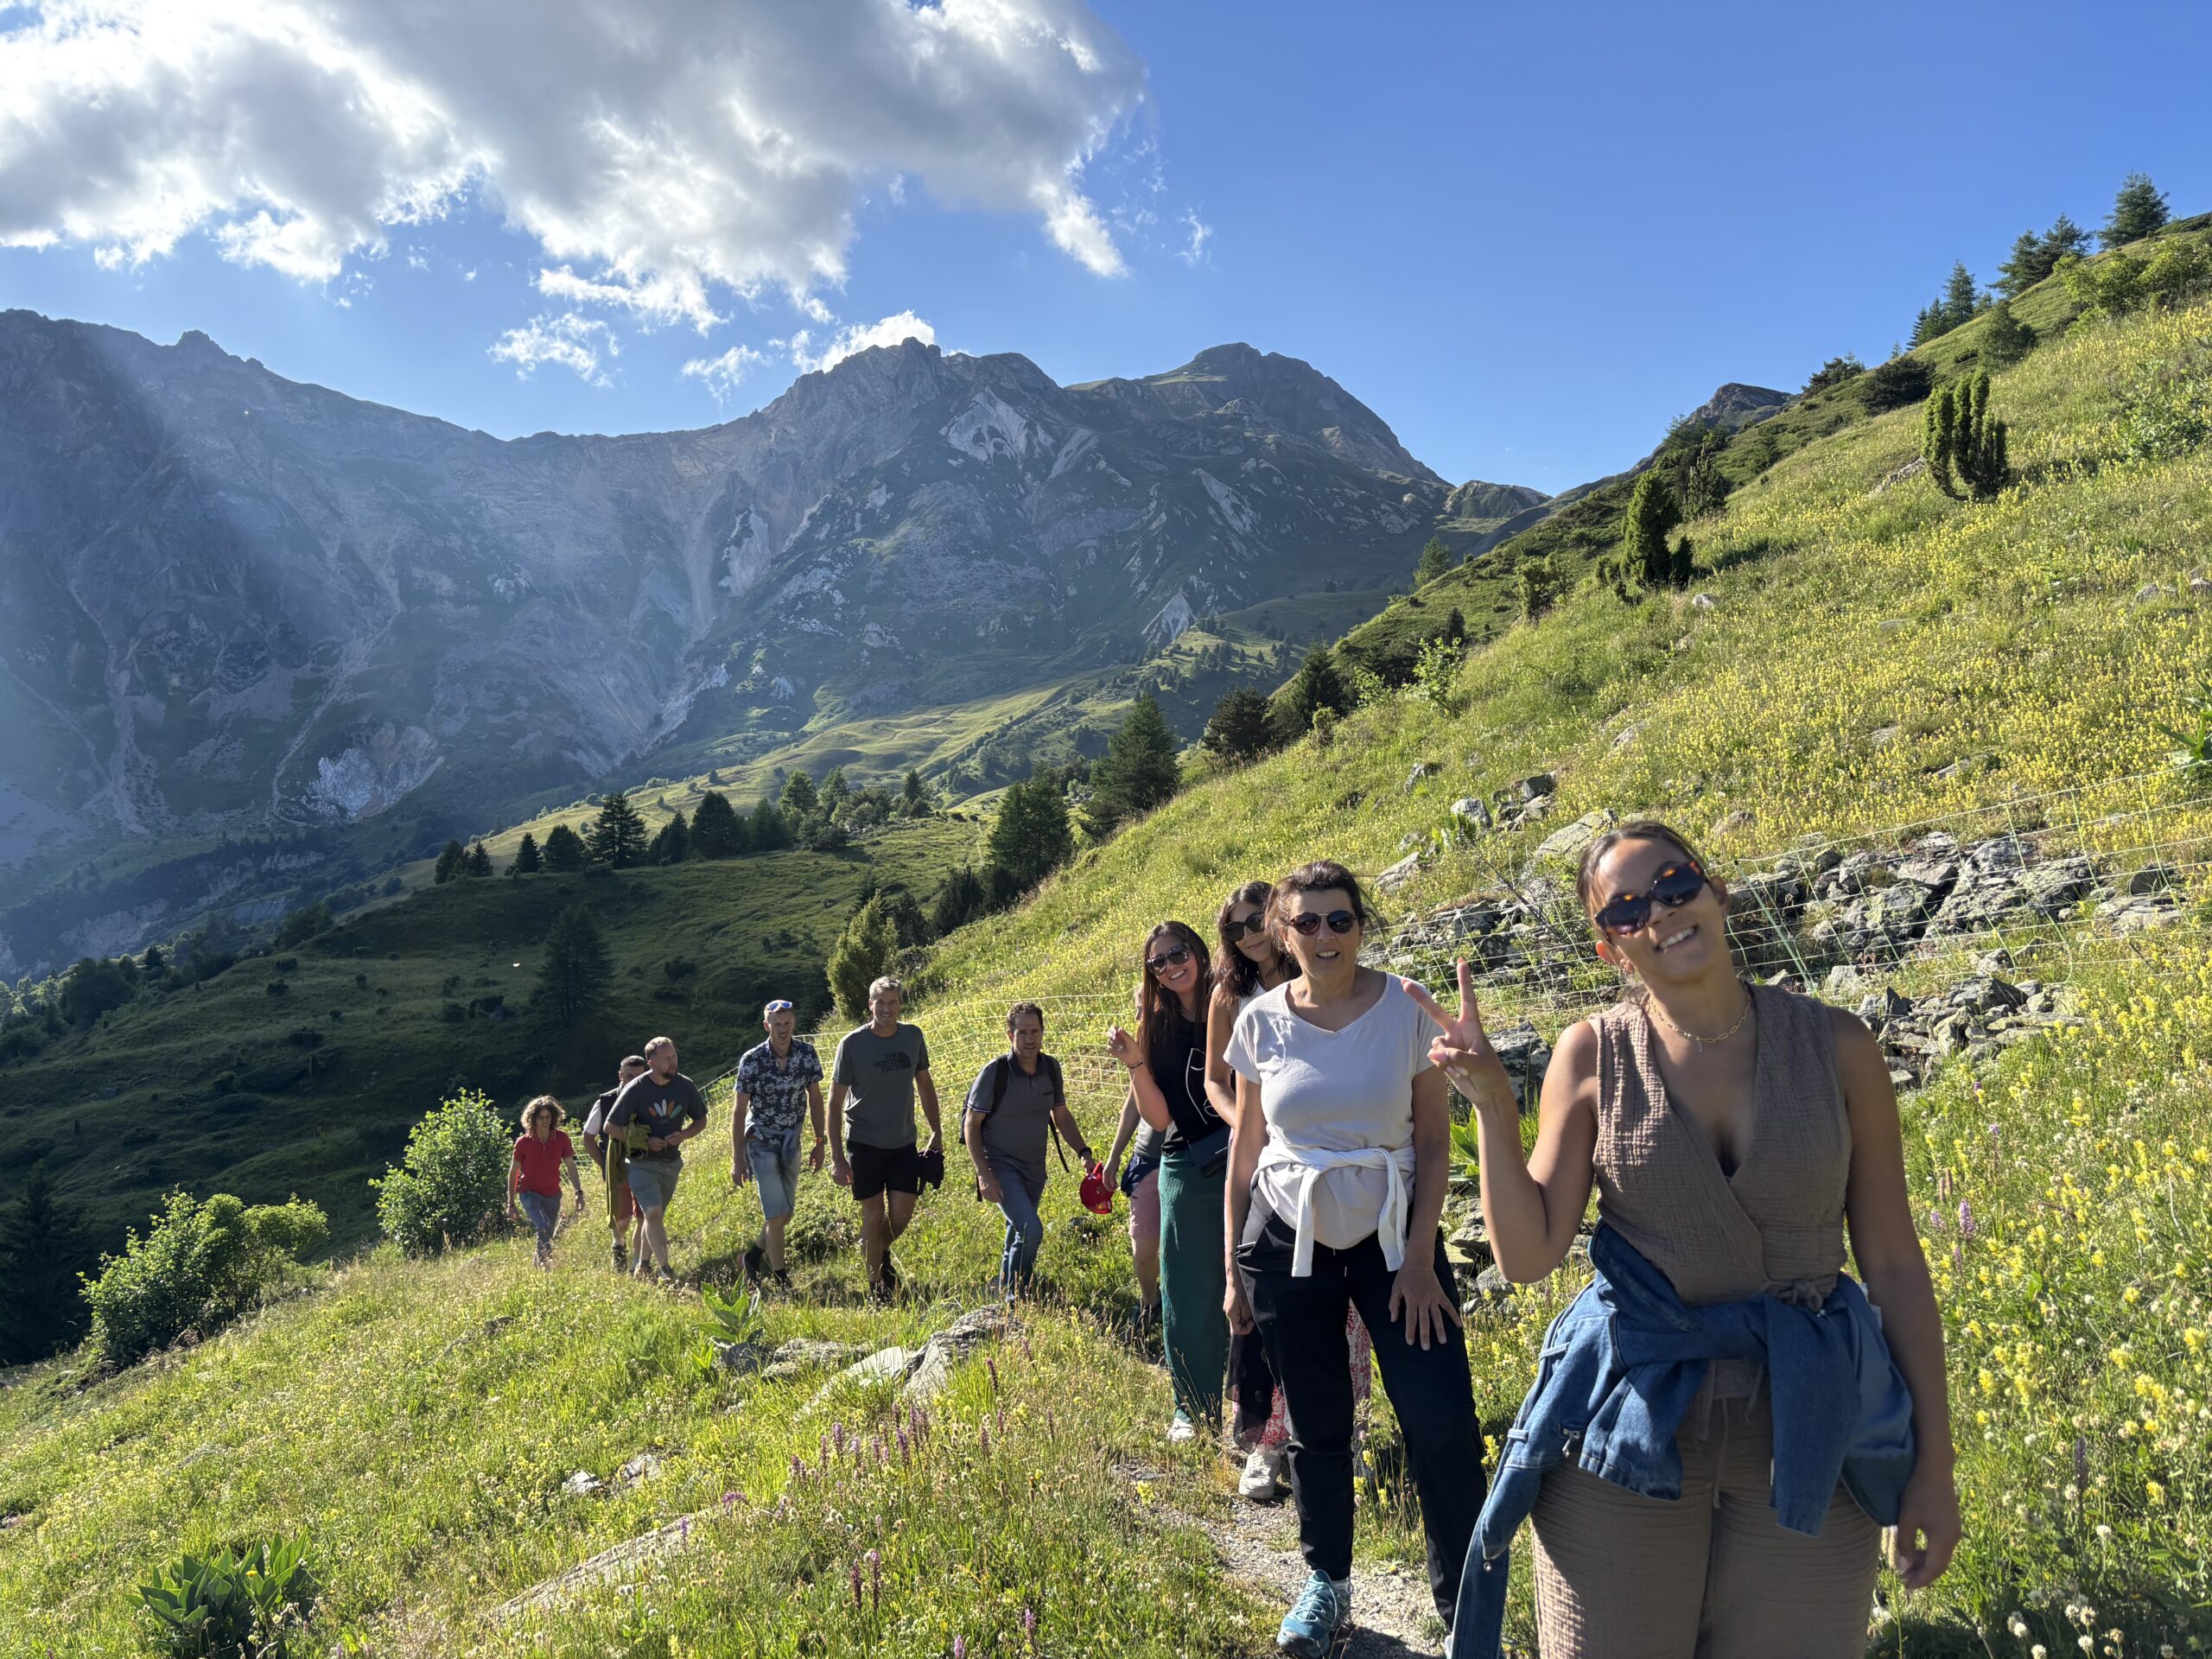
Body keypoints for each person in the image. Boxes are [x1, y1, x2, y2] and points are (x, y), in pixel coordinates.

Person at [1420, 821, 1960, 1659]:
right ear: (1609, 949)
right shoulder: (1591, 1054)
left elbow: (1891, 1262)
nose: (1659, 912)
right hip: (1630, 1422)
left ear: (1716, 893)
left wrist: (1934, 1463)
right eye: (1625, 908)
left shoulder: (1838, 1047)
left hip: (1809, 1421)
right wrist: (1492, 1103)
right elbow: (1527, 1257)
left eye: (1675, 884)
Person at [1222, 861, 1484, 1657]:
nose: (1326, 935)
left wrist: (1415, 1261)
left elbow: (1434, 1140)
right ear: (1281, 932)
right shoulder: (1261, 1020)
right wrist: (1233, 1271)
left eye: (1341, 920)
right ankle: (1327, 1582)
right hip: (1285, 1239)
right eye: (1308, 923)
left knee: (1439, 1418)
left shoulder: (1405, 1008)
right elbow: (1247, 1149)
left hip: (1395, 1237)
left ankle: (1467, 1600)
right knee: (1317, 1423)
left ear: (1361, 925)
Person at [1206, 880, 1373, 1505]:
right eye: (1236, 928)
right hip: (1269, 1159)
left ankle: (1341, 1432)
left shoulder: (1321, 970)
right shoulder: (1234, 996)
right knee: (1268, 1306)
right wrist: (1252, 1125)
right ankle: (1269, 1438)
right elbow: (1217, 1082)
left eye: (1257, 922)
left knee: (1347, 1315)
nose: (1249, 935)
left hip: (1338, 1166)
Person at [1106, 919, 1226, 1444]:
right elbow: (1158, 1118)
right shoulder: (1156, 1026)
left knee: (1259, 1282)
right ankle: (1193, 1408)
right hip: (1188, 1160)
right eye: (1158, 961)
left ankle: (1266, 1413)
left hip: (1255, 1152)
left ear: (1198, 950)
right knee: (1186, 1285)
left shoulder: (1234, 997)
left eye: (1178, 952)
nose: (1172, 965)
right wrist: (1136, 1062)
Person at [964, 1001, 1096, 1298]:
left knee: (1018, 1230)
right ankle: (1017, 1294)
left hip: (1035, 1170)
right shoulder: (995, 1072)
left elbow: (1060, 1115)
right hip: (1001, 1166)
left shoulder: (1050, 1068)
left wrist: (1083, 1153)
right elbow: (971, 1125)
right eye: (1022, 1032)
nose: (1029, 1038)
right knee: (1031, 1229)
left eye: (1034, 1031)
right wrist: (984, 1175)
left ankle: (1005, 1287)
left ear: (1042, 1032)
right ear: (1010, 1035)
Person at [829, 977, 942, 1300]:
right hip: (864, 1142)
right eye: (881, 1003)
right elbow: (834, 1103)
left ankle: (876, 1250)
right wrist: (837, 1157)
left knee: (902, 1214)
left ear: (900, 1004)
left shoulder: (913, 1036)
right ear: (870, 1005)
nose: (887, 1009)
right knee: (873, 1215)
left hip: (903, 1141)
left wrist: (937, 1130)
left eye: (893, 1002)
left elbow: (924, 1084)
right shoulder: (852, 1045)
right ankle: (876, 1287)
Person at [732, 999, 825, 1287]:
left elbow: (816, 1099)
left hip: (791, 1142)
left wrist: (820, 1141)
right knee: (775, 1212)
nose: (783, 1030)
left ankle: (753, 1255)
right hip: (760, 1142)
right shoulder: (752, 1060)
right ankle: (781, 1278)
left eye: (787, 1023)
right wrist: (738, 1159)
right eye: (777, 1025)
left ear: (794, 1023)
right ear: (766, 1026)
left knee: (784, 1214)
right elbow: (738, 1110)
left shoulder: (807, 1054)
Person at [603, 1036, 709, 1282]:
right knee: (653, 1212)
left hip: (671, 1163)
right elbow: (611, 1126)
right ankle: (666, 1270)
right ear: (651, 1063)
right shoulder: (636, 1088)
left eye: (674, 1056)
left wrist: (682, 1135)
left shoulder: (686, 1086)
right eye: (667, 1059)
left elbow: (701, 1121)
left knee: (655, 1217)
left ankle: (643, 1265)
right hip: (642, 1163)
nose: (673, 1062)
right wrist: (644, 1142)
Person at [1102, 1091, 1162, 1332]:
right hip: (1148, 1159)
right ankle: (1151, 1301)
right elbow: (1134, 1101)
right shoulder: (1145, 1053)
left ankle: (1184, 1316)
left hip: (1194, 1159)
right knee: (1143, 1251)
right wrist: (1114, 1156)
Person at [581, 1053, 648, 1270]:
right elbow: (588, 1137)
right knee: (623, 1217)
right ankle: (619, 1245)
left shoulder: (650, 1099)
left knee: (644, 1215)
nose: (634, 1080)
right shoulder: (605, 1102)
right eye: (629, 1076)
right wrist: (604, 1164)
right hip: (616, 1167)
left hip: (644, 1165)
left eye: (639, 1075)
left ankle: (638, 1264)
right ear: (620, 1076)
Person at [508, 1095, 585, 1268]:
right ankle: (545, 1268)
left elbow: (571, 1166)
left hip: (553, 1194)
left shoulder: (562, 1138)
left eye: (548, 1117)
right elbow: (513, 1173)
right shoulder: (523, 1142)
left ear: (554, 1117)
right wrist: (511, 1204)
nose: (544, 1121)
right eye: (541, 1117)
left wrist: (578, 1191)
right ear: (532, 1118)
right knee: (543, 1227)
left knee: (547, 1231)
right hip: (529, 1194)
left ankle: (538, 1265)